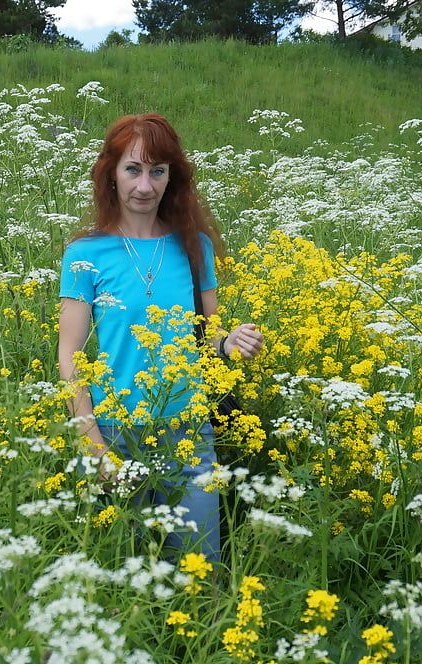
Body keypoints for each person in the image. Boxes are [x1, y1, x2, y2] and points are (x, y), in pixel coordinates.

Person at [57, 113, 264, 562]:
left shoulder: (194, 247)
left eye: (158, 171)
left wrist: (229, 343)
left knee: (199, 569)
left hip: (188, 431)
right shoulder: (85, 255)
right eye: (133, 169)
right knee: (123, 582)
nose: (145, 186)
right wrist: (92, 443)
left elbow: (204, 335)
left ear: (173, 178)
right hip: (114, 433)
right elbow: (69, 354)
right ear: (111, 175)